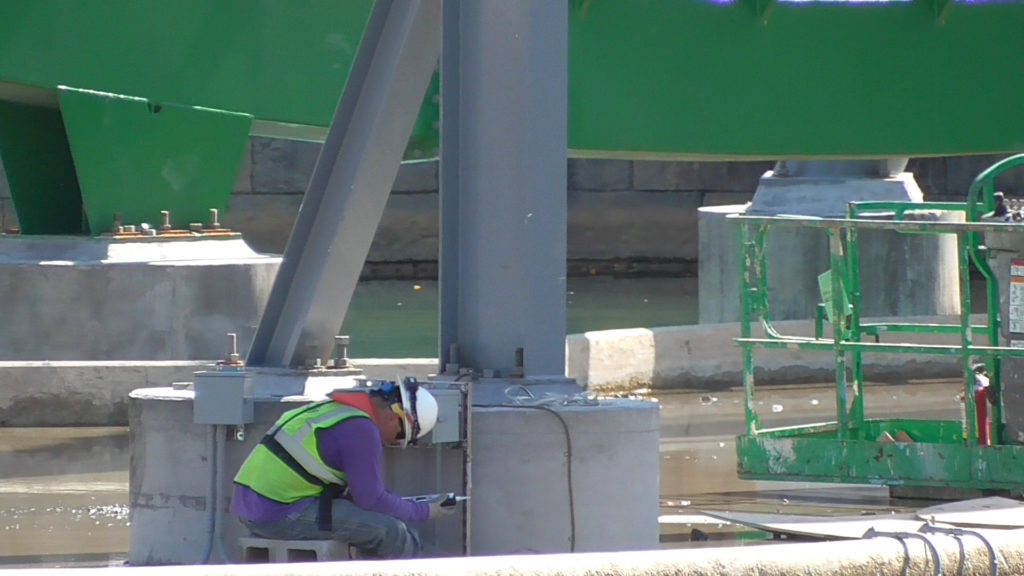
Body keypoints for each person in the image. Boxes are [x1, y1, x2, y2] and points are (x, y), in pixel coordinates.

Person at [231, 377, 454, 559]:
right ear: (397, 417)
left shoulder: (337, 410)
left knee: (369, 524)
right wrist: (425, 510)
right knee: (389, 531)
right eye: (400, 436)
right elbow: (371, 499)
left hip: (253, 505)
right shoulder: (362, 430)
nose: (391, 443)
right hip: (277, 514)